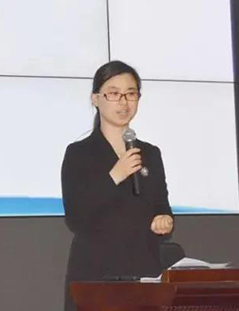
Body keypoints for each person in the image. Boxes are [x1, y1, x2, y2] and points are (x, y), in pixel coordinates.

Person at [61, 60, 174, 311]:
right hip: (96, 277)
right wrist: (114, 175)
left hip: (144, 273)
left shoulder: (150, 153)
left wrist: (164, 220)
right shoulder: (79, 154)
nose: (123, 102)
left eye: (131, 94)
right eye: (113, 93)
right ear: (96, 99)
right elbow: (76, 218)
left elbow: (161, 205)